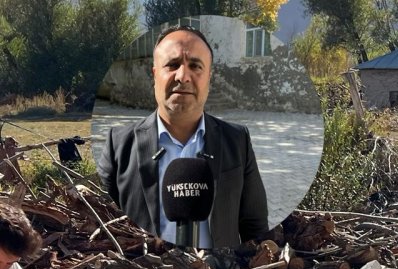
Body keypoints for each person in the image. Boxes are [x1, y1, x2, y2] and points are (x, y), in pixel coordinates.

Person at [96, 25, 269, 250]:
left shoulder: (237, 140)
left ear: (209, 76)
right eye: (172, 65)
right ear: (155, 73)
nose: (183, 76)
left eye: (195, 66)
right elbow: (100, 222)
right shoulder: (118, 144)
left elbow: (255, 226)